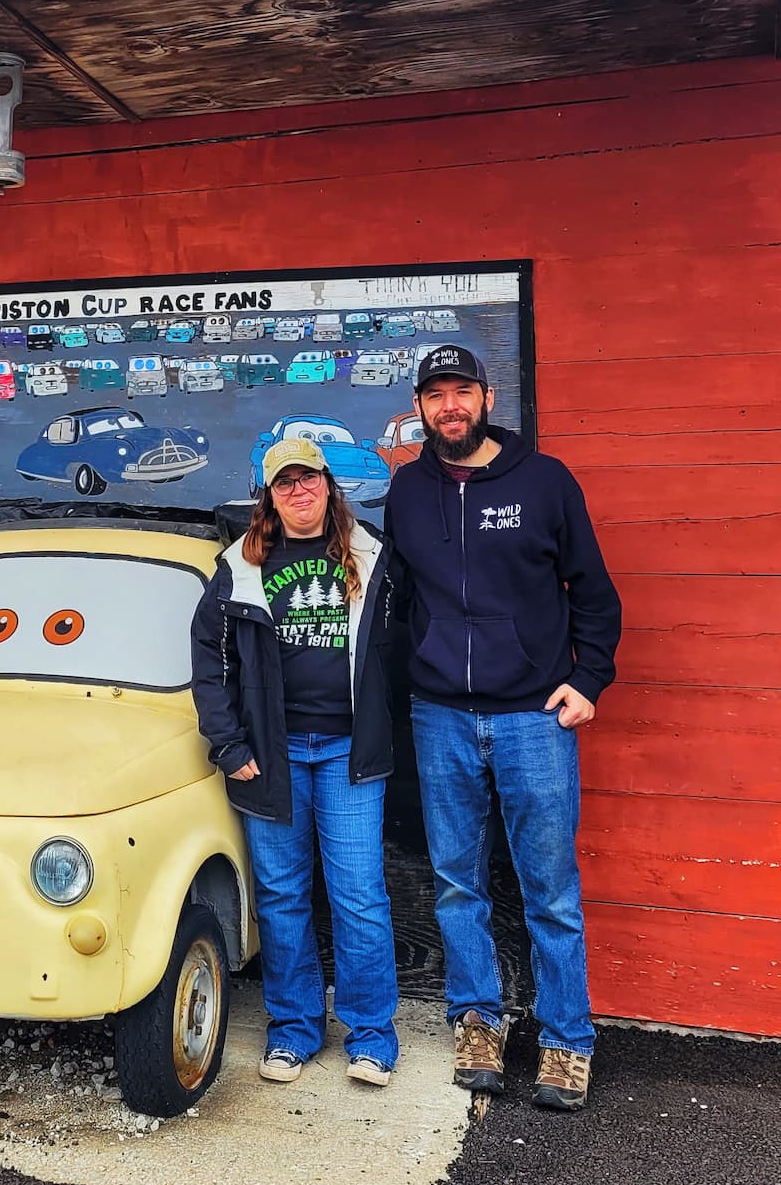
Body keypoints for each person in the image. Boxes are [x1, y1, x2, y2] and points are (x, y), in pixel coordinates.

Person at [384, 344, 621, 1113]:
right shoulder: (407, 489)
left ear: (487, 398)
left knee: (549, 889)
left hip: (532, 717)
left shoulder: (544, 481)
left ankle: (567, 1039)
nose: (450, 405)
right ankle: (478, 1022)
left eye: (462, 391)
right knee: (458, 884)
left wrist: (588, 679)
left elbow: (593, 590)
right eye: (436, 394)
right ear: (420, 407)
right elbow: (398, 596)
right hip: (441, 716)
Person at [191, 434, 401, 1087]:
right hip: (271, 757)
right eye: (285, 482)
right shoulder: (240, 568)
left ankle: (372, 1034)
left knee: (359, 896)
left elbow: (405, 644)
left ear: (329, 486)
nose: (299, 490)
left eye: (309, 478)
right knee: (282, 898)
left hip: (349, 754)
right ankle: (294, 1029)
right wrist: (229, 746)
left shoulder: (370, 554)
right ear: (269, 496)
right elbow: (209, 663)